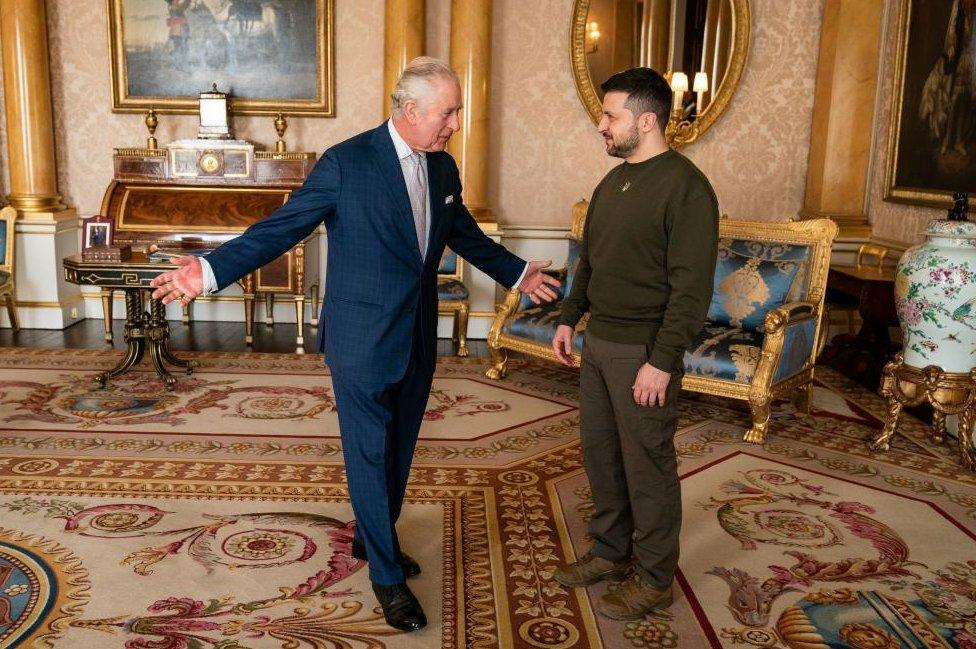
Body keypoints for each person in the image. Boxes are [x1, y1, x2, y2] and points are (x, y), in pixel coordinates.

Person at [150, 57, 561, 632]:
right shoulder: (347, 162)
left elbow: (461, 232)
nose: (456, 123)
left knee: (399, 447)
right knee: (369, 452)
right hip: (362, 337)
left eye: (457, 110)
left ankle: (376, 539)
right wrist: (211, 271)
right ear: (410, 110)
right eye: (449, 112)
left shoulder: (442, 168)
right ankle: (386, 578)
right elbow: (282, 227)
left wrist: (518, 273)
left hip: (417, 330)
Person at [550, 67, 718, 620]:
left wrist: (662, 362)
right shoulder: (612, 182)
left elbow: (691, 291)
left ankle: (652, 577)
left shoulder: (686, 188)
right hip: (599, 345)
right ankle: (608, 551)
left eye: (611, 115)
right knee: (603, 458)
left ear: (647, 121)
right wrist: (569, 318)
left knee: (647, 466)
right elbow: (589, 263)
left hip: (643, 352)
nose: (601, 125)